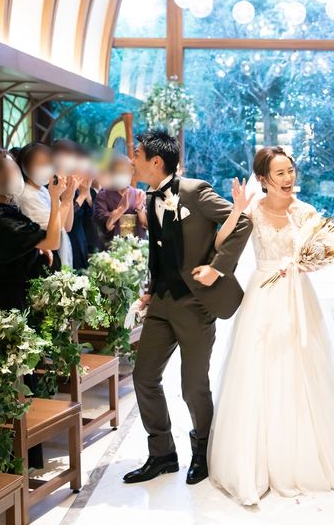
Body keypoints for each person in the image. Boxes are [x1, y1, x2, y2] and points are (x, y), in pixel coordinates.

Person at [208, 146, 334, 506]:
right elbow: (220, 242)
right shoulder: (253, 210)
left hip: (297, 296)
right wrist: (236, 209)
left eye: (290, 170)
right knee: (259, 370)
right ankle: (255, 462)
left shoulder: (305, 211)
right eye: (280, 173)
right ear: (263, 179)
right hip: (262, 296)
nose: (288, 178)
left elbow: (322, 254)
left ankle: (300, 460)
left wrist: (309, 262)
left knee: (301, 369)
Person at [123, 130, 252, 487]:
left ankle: (203, 452)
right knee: (144, 376)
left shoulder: (195, 192)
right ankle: (162, 454)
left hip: (195, 303)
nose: (132, 160)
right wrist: (150, 292)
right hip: (162, 303)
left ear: (155, 161)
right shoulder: (150, 197)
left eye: (137, 154)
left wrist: (217, 268)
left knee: (193, 385)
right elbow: (160, 252)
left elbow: (242, 221)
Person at [0, 149, 65, 310]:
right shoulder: (1, 216)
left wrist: (35, 245)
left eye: (15, 169)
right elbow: (51, 241)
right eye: (10, 171)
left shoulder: (8, 208)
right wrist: (55, 198)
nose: (16, 175)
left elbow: (24, 240)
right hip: (6, 297)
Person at [15, 142, 77, 268]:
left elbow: (67, 226)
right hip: (43, 260)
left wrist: (69, 196)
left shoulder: (45, 189)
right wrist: (64, 202)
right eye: (40, 164)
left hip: (59, 253)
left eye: (49, 163)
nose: (47, 168)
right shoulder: (25, 194)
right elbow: (51, 235)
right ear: (25, 167)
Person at [93, 154, 147, 247]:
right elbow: (103, 224)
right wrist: (120, 210)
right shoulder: (103, 195)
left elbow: (146, 223)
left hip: (137, 248)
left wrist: (140, 209)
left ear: (132, 171)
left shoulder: (139, 194)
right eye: (117, 172)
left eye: (124, 171)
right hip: (113, 248)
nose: (121, 175)